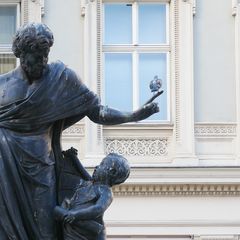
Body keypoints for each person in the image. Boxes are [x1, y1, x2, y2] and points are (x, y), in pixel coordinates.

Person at [0, 23, 159, 240]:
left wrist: (133, 115)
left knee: (46, 229)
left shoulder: (60, 77)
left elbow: (96, 111)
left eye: (46, 54)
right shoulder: (3, 86)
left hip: (41, 166)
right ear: (21, 54)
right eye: (37, 56)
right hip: (4, 164)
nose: (43, 61)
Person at [54, 148, 130, 240]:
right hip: (73, 224)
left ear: (112, 172)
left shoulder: (106, 192)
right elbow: (82, 172)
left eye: (102, 164)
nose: (97, 167)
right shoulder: (91, 183)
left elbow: (98, 208)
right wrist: (73, 158)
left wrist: (75, 215)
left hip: (87, 231)